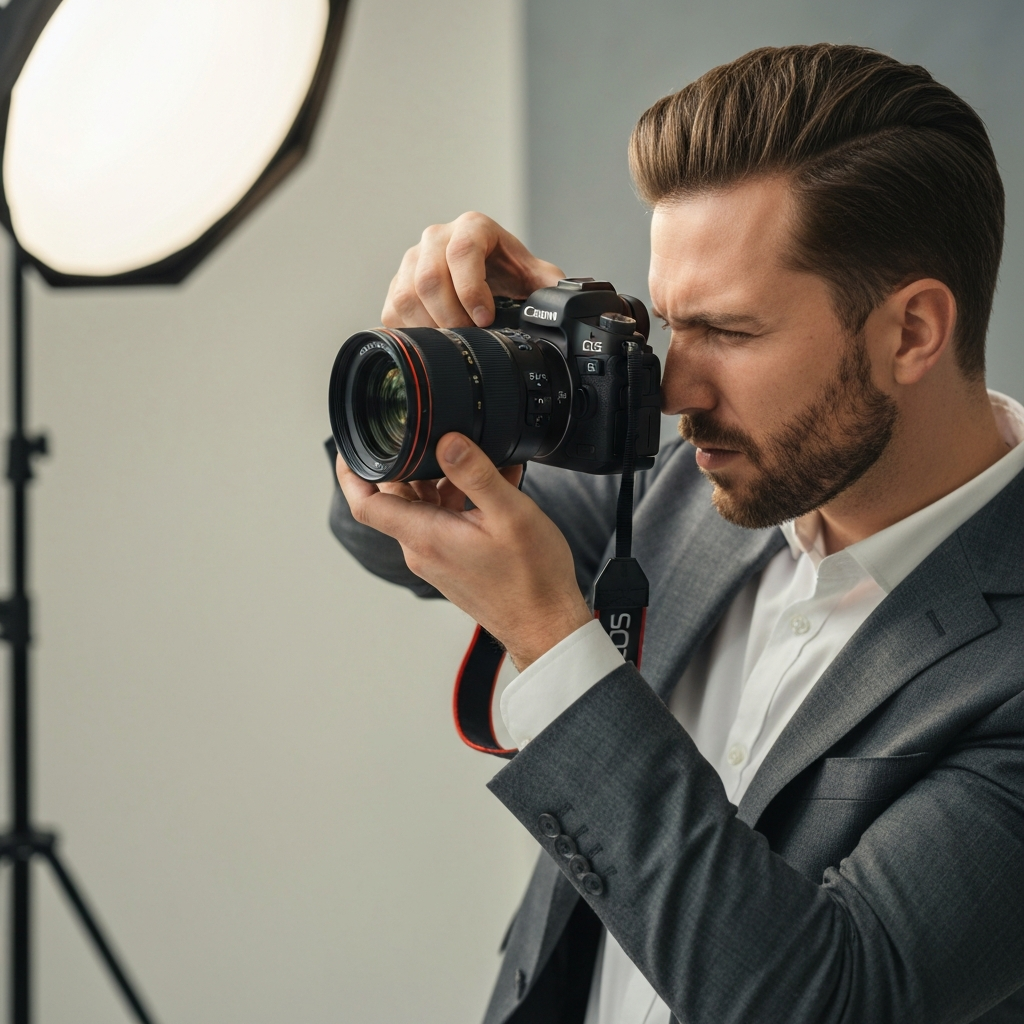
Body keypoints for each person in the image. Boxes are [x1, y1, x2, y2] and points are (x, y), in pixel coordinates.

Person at [329, 44, 1024, 1024]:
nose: (675, 389)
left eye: (731, 333)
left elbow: (822, 997)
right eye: (670, 324)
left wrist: (553, 644)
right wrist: (427, 369)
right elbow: (376, 534)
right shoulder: (695, 492)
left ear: (910, 332)